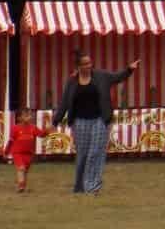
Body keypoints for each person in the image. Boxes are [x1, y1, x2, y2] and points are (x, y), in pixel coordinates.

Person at [52, 49, 140, 195]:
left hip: (100, 119)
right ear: (78, 66)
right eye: (85, 64)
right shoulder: (72, 82)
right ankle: (79, 186)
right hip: (80, 122)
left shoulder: (101, 76)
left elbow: (117, 77)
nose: (88, 66)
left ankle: (92, 187)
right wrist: (55, 121)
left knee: (96, 152)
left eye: (90, 63)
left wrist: (129, 69)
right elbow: (65, 103)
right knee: (83, 155)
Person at [4, 109, 45, 193]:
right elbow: (11, 141)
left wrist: (48, 130)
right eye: (26, 115)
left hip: (29, 154)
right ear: (20, 118)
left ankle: (22, 186)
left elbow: (41, 134)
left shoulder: (33, 127)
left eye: (30, 115)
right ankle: (21, 186)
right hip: (17, 153)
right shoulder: (15, 128)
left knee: (25, 170)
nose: (29, 117)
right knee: (21, 168)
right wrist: (6, 151)